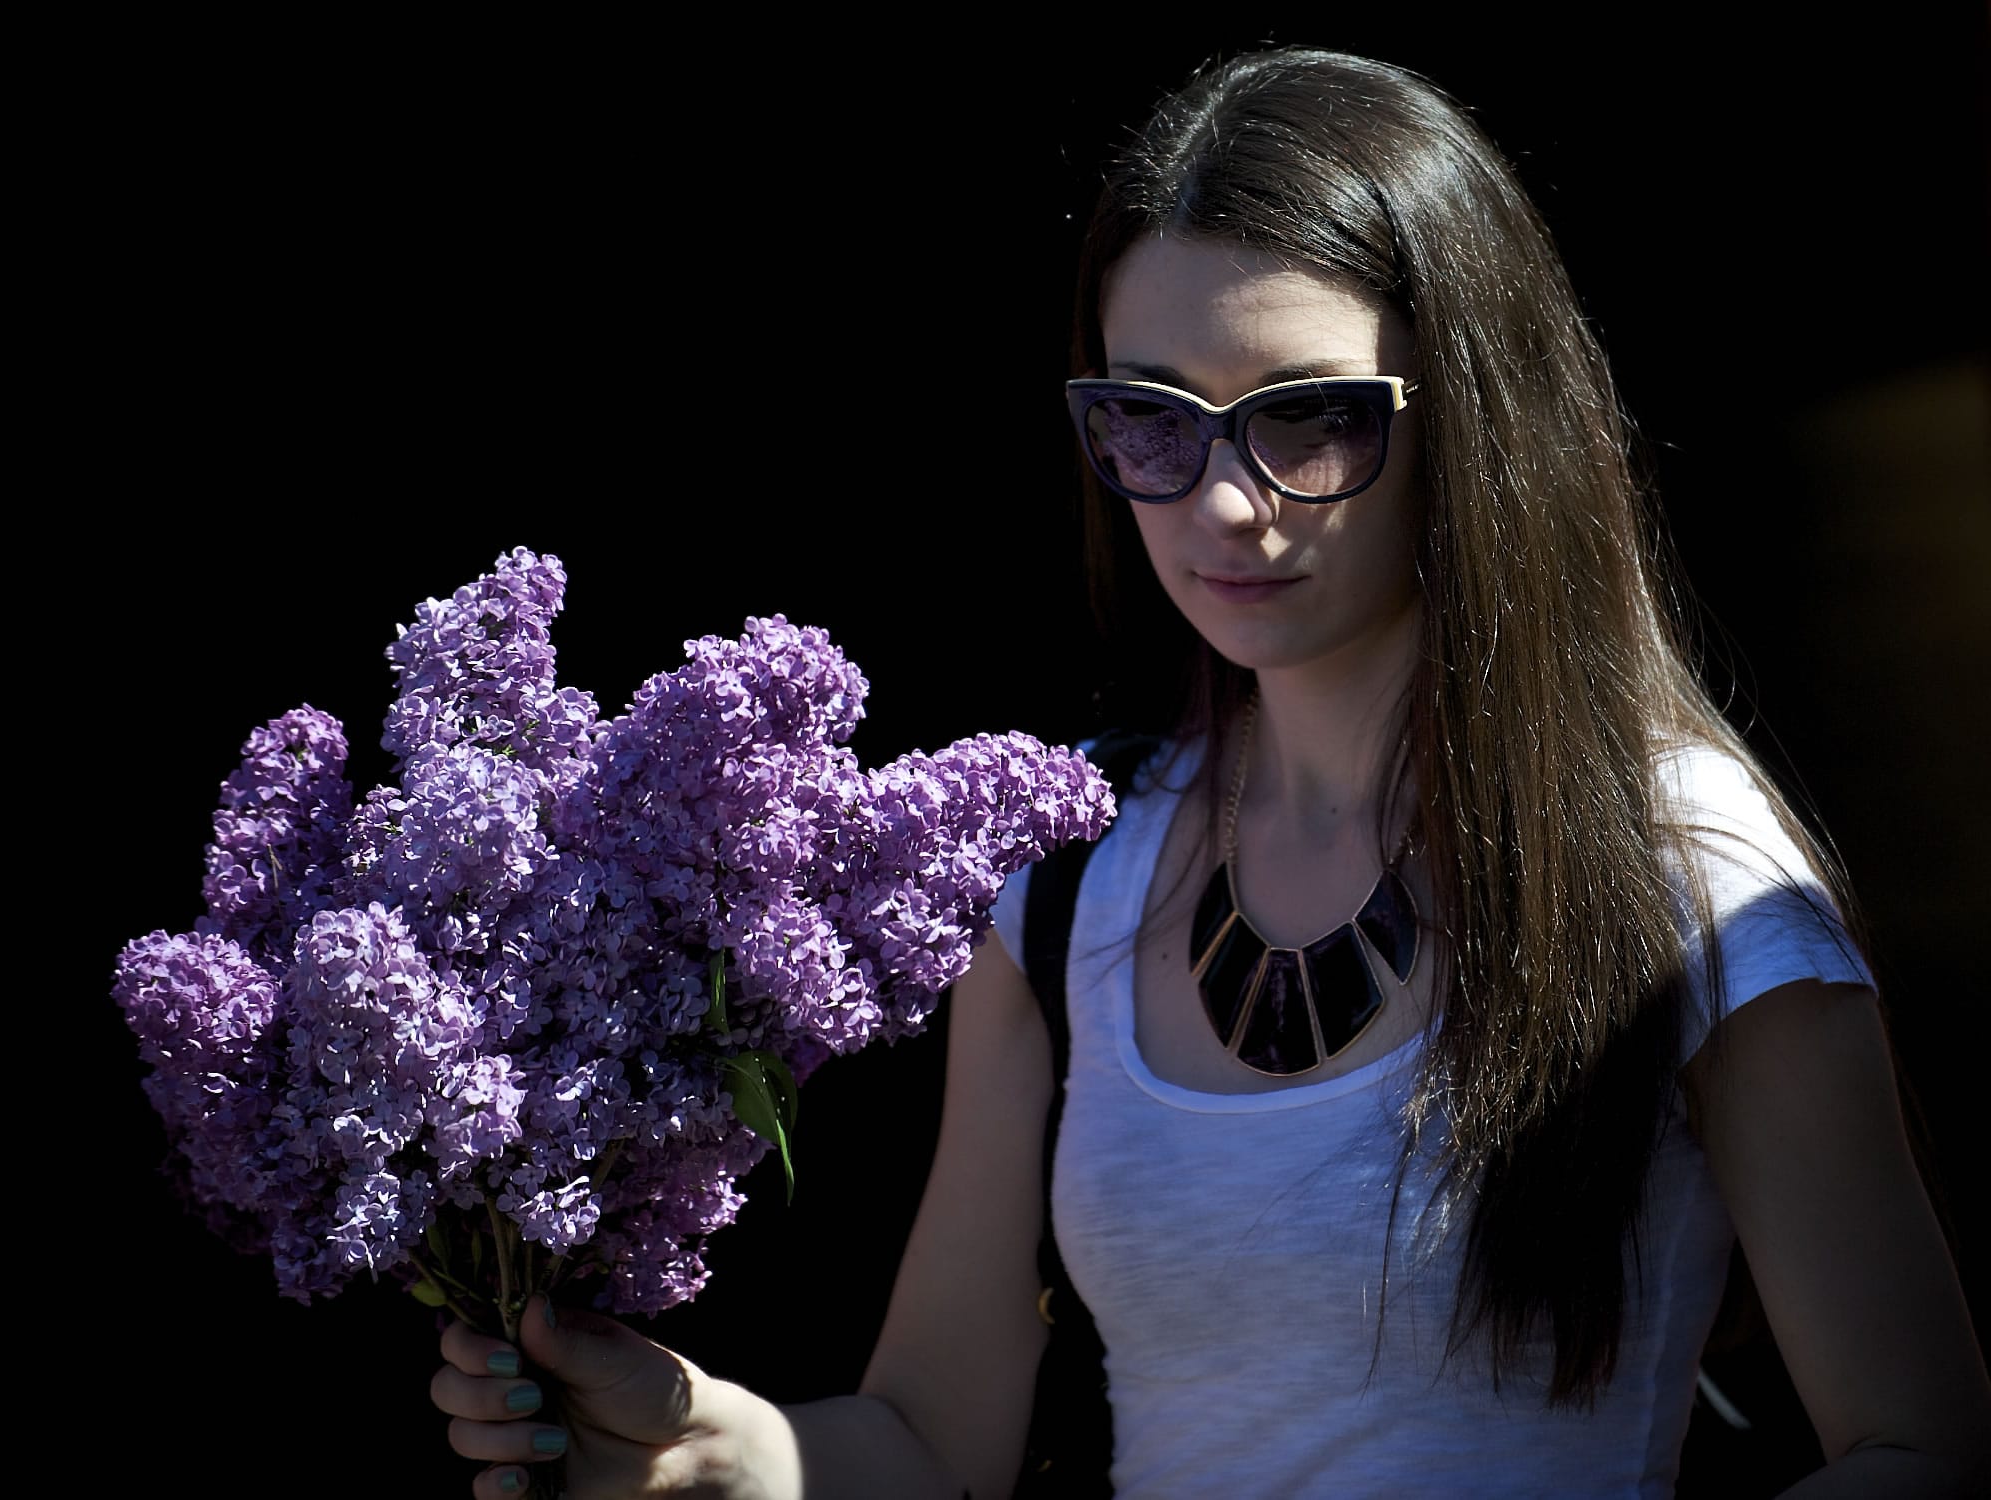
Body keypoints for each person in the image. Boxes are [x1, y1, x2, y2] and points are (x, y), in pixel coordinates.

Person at [425, 46, 1991, 1498]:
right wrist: (710, 1451)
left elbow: (1921, 1443)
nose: (1222, 505)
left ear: (1477, 418)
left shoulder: (1696, 884)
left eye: (1305, 420)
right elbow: (929, 1432)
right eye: (1149, 421)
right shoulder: (1064, 880)